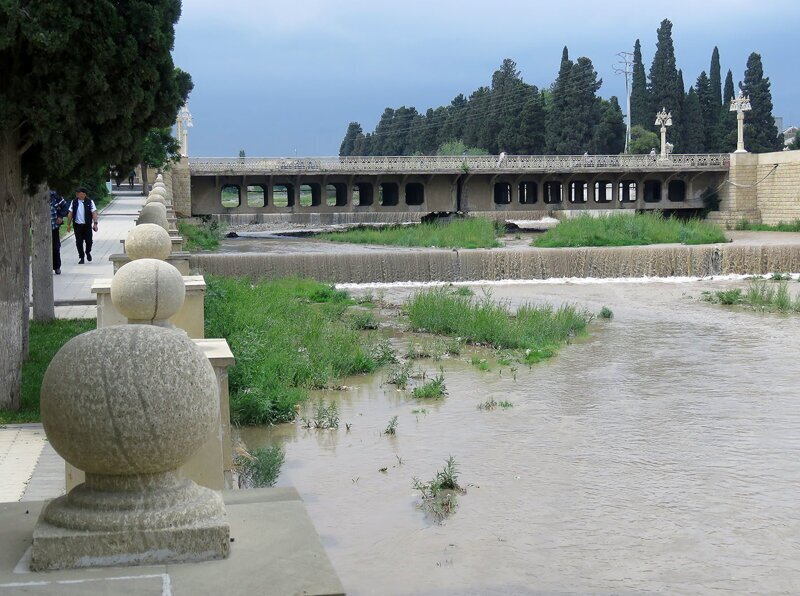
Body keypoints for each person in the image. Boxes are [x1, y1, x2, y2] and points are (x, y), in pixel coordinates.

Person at [66, 187, 98, 264]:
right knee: (79, 242)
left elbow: (94, 213)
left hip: (87, 225)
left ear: (84, 194)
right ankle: (81, 257)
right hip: (77, 225)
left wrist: (95, 223)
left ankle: (88, 252)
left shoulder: (90, 202)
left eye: (79, 193)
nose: (77, 194)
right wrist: (68, 224)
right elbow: (70, 213)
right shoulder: (74, 202)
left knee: (89, 241)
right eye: (76, 193)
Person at [49, 190, 69, 275]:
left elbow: (65, 207)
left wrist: (60, 216)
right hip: (41, 229)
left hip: (54, 227)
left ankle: (57, 267)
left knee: (55, 247)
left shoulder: (55, 196)